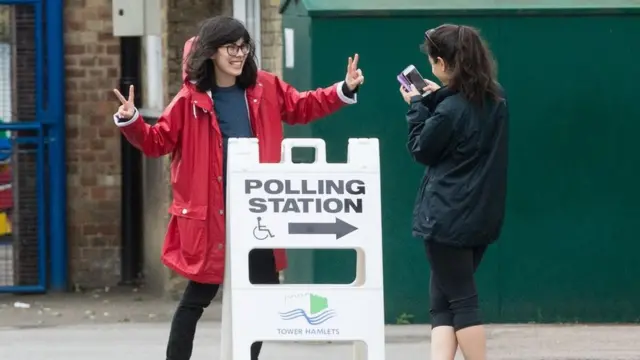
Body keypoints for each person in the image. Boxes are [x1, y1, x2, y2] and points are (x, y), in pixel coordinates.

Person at [112, 16, 364, 360]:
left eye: (244, 47)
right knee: (197, 298)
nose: (239, 54)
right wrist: (132, 120)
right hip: (211, 214)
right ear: (211, 52)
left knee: (262, 298)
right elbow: (158, 142)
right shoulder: (190, 100)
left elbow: (302, 106)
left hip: (258, 212)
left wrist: (343, 89)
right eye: (231, 47)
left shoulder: (266, 87)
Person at [399, 24, 509, 360]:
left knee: (461, 300)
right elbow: (465, 119)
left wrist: (417, 106)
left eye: (433, 60)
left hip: (446, 218)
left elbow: (421, 149)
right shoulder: (496, 98)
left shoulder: (448, 111)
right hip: (480, 215)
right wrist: (437, 97)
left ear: (445, 64)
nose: (431, 65)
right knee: (442, 302)